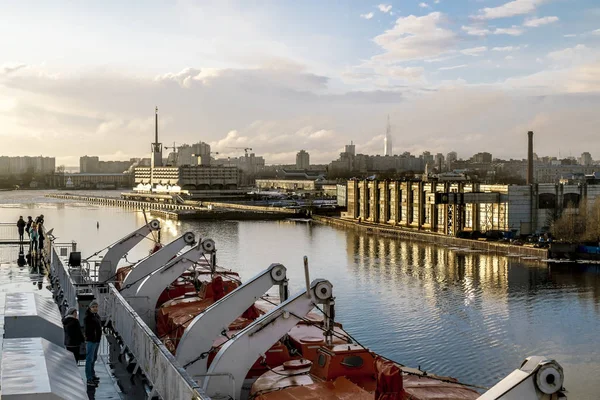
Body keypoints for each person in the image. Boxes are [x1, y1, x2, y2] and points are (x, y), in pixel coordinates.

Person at [84, 300, 102, 387]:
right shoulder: (88, 317)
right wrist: (91, 337)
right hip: (91, 340)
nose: (95, 308)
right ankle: (89, 378)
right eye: (93, 307)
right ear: (90, 308)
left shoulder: (96, 316)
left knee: (93, 358)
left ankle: (92, 374)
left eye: (96, 307)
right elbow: (87, 330)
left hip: (96, 340)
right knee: (89, 359)